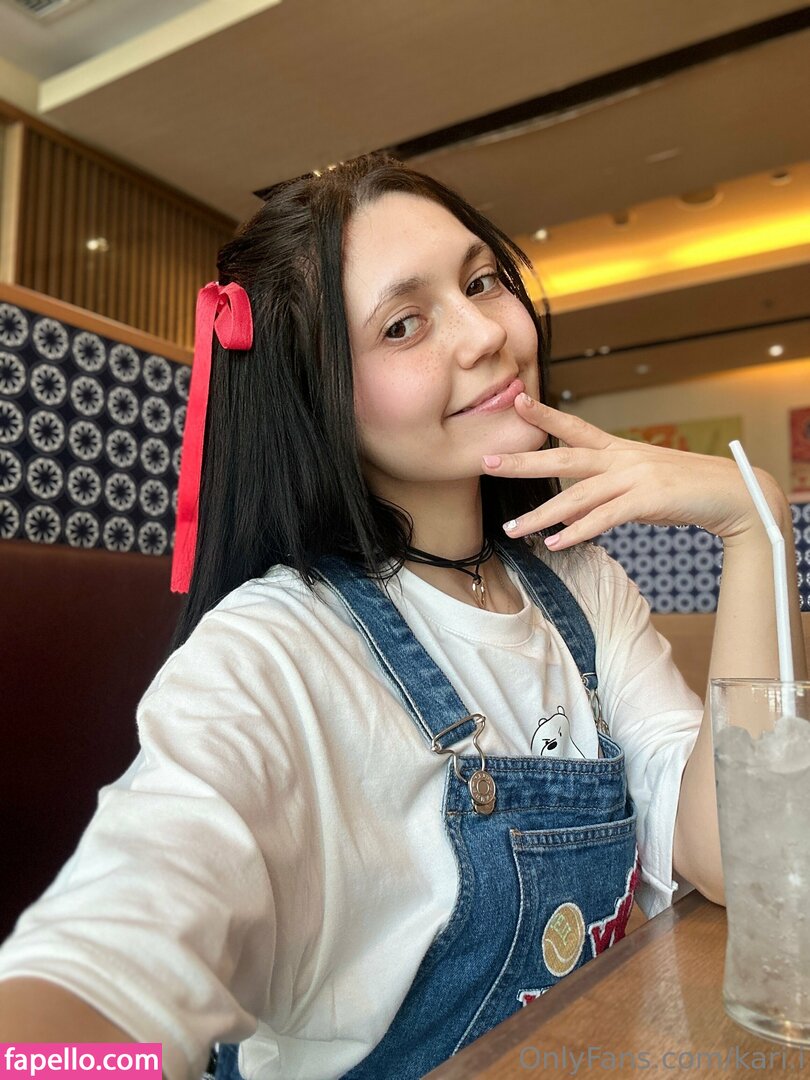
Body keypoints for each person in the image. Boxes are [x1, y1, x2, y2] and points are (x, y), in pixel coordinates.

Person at [0, 153, 804, 1080]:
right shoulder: (276, 647)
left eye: (483, 281)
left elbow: (735, 860)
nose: (486, 334)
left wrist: (756, 525)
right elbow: (104, 964)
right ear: (317, 396)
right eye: (404, 323)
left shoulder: (585, 588)